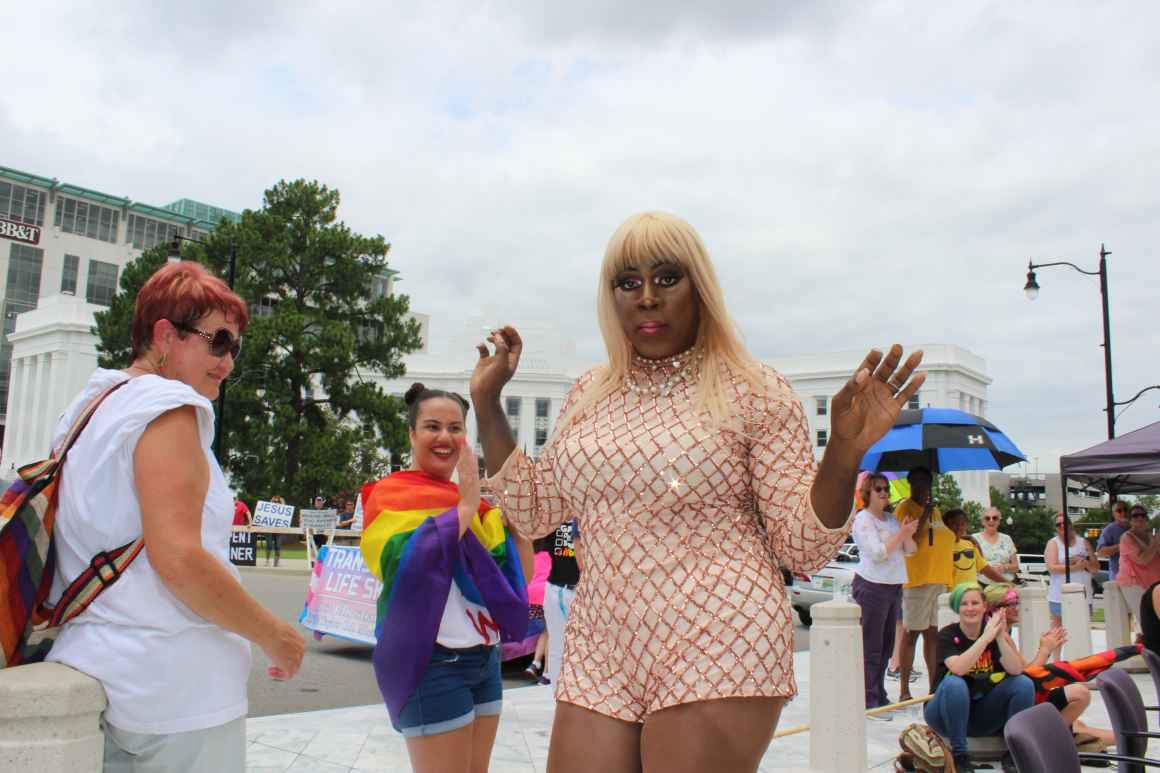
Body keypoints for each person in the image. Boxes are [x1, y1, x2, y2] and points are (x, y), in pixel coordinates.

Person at [470, 211, 926, 772]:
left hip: (720, 632)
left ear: (700, 288)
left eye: (666, 278)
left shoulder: (755, 390)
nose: (646, 298)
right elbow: (536, 511)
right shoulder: (589, 393)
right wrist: (489, 405)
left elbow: (801, 548)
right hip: (602, 639)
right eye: (627, 282)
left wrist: (842, 453)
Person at [44, 260, 304, 772]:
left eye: (235, 347)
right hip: (175, 694)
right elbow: (180, 560)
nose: (227, 361)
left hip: (100, 669)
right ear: (164, 334)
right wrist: (277, 636)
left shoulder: (90, 405)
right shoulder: (167, 406)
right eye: (216, 342)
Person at [359, 383, 533, 772]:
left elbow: (519, 580)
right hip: (433, 662)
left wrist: (518, 526)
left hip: (485, 659)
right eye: (432, 426)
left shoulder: (480, 506)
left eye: (455, 428)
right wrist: (467, 507)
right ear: (412, 434)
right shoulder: (390, 495)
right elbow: (405, 563)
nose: (444, 437)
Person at [981, 584, 1115, 749]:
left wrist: (1044, 649)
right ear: (995, 609)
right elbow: (1028, 676)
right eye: (1011, 604)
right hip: (1012, 704)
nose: (1017, 608)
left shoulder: (1003, 633)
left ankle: (1123, 736)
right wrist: (1045, 650)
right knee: (1080, 694)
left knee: (1079, 724)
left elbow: (1025, 671)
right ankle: (1047, 741)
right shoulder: (996, 636)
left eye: (1018, 602)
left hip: (1019, 697)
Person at [923, 583, 1033, 773]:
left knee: (1023, 684)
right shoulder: (947, 635)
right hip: (944, 712)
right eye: (964, 604)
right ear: (958, 608)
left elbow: (1016, 669)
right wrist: (984, 640)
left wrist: (999, 637)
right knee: (955, 684)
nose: (970, 608)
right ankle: (960, 757)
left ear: (984, 607)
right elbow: (958, 668)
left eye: (975, 603)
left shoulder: (992, 632)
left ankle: (1014, 753)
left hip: (981, 712)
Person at [851, 472, 918, 708]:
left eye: (886, 489)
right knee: (871, 646)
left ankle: (878, 693)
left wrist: (907, 532)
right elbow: (878, 553)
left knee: (887, 645)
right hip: (872, 586)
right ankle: (869, 698)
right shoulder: (863, 520)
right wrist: (901, 534)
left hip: (893, 587)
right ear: (868, 492)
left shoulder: (891, 519)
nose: (883, 493)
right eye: (878, 489)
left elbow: (910, 550)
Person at [895, 466, 953, 702]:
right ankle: (904, 689)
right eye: (917, 482)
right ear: (910, 484)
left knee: (933, 636)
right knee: (912, 634)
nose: (922, 486)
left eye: (925, 482)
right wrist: (926, 513)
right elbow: (910, 539)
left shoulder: (936, 511)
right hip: (917, 580)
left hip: (938, 580)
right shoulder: (905, 509)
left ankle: (933, 686)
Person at [543, 519, 582, 686]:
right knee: (557, 645)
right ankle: (555, 695)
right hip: (559, 589)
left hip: (584, 591)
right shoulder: (553, 520)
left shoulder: (587, 517)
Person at [1045, 512, 1097, 629]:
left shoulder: (1083, 542)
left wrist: (1084, 562)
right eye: (1058, 524)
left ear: (1070, 524)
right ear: (1055, 528)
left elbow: (1095, 568)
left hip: (1083, 596)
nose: (1062, 526)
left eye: (1065, 523)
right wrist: (1074, 567)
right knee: (1058, 633)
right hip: (1059, 597)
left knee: (1081, 631)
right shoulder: (1053, 543)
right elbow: (1052, 568)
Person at [1116, 505, 1160, 626]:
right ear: (1130, 520)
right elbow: (1142, 560)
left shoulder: (1151, 535)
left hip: (1153, 584)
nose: (1140, 518)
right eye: (1135, 515)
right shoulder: (1126, 538)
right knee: (1146, 620)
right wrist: (1156, 543)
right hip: (1134, 584)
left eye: (1143, 515)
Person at [945, 508, 1007, 587]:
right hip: (952, 596)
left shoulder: (970, 544)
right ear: (946, 525)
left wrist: (1008, 583)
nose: (959, 527)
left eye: (962, 524)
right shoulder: (941, 547)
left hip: (972, 595)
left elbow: (985, 569)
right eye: (954, 524)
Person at [973, 507, 1018, 584]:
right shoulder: (974, 539)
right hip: (981, 584)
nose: (991, 520)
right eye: (987, 518)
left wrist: (1004, 567)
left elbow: (1016, 567)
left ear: (999, 521)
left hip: (1005, 584)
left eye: (995, 518)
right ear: (982, 522)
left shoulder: (1007, 539)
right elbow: (969, 565)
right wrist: (987, 569)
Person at [1096, 500, 1131, 581]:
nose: (1123, 512)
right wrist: (1121, 546)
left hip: (1136, 575)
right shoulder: (1109, 530)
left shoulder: (1135, 527)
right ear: (1113, 514)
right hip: (1118, 575)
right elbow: (1100, 552)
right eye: (1119, 510)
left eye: (1125, 509)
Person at [263, 495, 286, 567]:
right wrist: (271, 502)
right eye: (275, 501)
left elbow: (285, 509)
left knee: (278, 546)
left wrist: (282, 502)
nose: (276, 503)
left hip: (279, 530)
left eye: (278, 501)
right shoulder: (269, 510)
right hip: (269, 529)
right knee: (269, 545)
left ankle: (276, 562)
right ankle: (267, 561)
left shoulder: (283, 510)